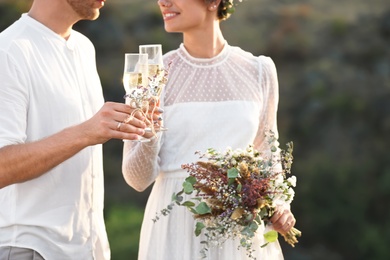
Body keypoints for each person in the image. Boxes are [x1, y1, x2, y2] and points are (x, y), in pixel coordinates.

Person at [122, 0, 296, 259]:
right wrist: (149, 136)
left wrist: (280, 206)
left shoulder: (259, 71)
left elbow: (267, 155)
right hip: (174, 229)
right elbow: (137, 180)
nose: (163, 2)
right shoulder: (151, 74)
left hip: (241, 233)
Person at [0, 0, 147, 259]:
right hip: (32, 248)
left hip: (89, 249)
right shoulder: (9, 50)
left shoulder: (83, 47)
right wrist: (85, 133)